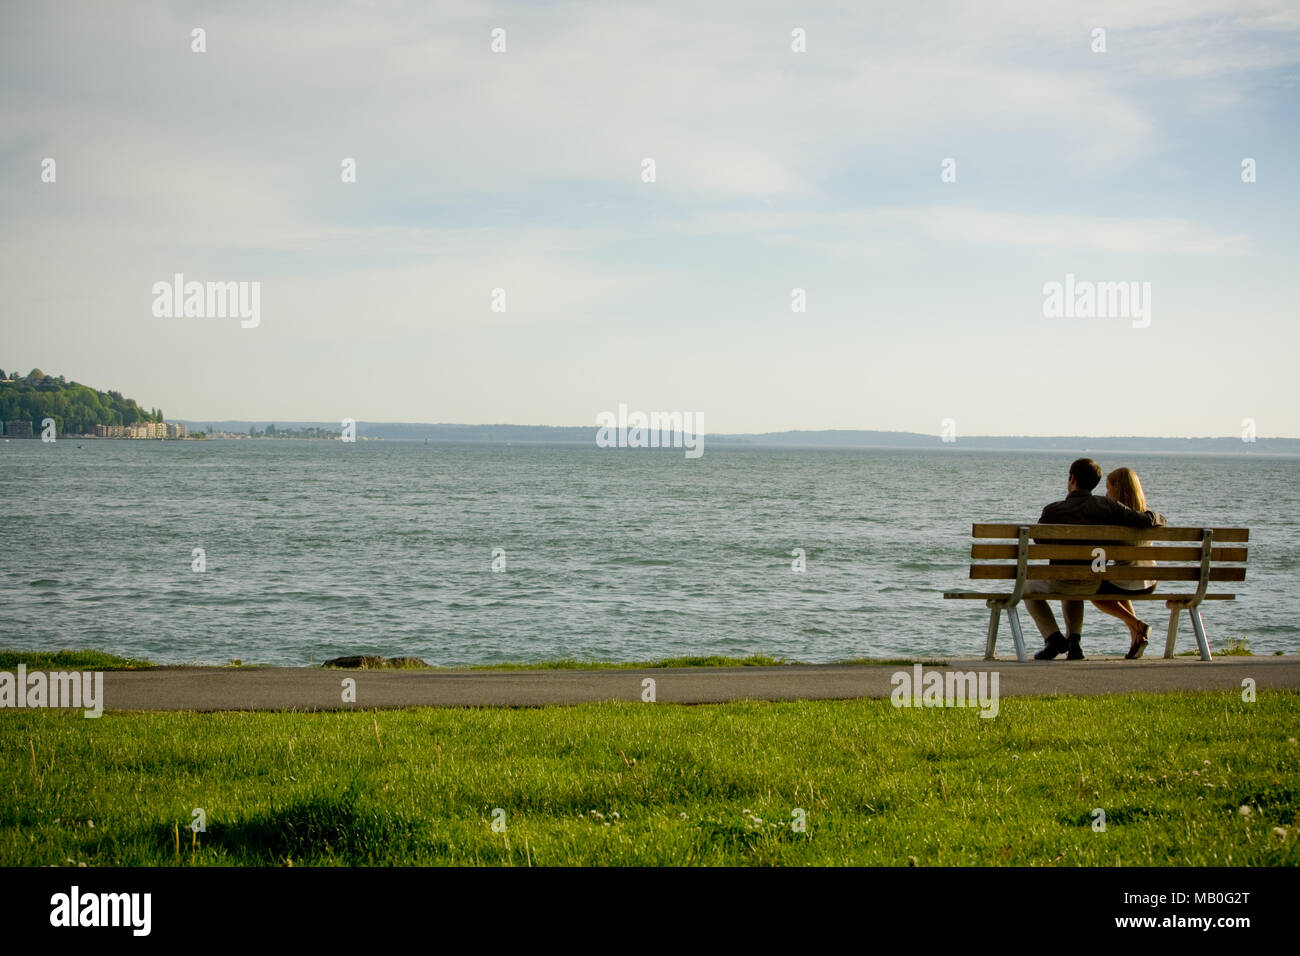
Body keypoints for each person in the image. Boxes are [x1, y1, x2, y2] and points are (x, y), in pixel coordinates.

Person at [1024, 458, 1166, 661]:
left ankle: (1053, 638)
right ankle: (1074, 643)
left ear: (1071, 478)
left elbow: (1038, 538)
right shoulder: (1109, 507)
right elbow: (1142, 520)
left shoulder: (1052, 510)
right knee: (1077, 582)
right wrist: (1157, 517)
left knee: (1026, 587)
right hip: (1093, 581)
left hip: (1063, 580)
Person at [1089, 467, 1158, 659]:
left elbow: (1102, 556)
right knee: (1120, 580)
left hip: (1127, 582)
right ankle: (1135, 635)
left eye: (1108, 488)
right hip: (1149, 583)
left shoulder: (1114, 518)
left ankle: (1137, 625)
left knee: (1093, 592)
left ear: (1117, 489)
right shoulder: (1148, 517)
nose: (1106, 493)